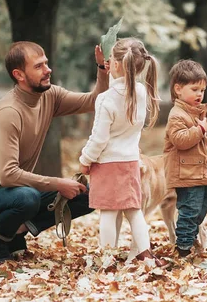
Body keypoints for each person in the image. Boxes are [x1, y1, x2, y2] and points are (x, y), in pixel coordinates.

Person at [0, 41, 110, 264]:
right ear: (19, 75)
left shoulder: (49, 96)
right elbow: (7, 175)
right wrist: (58, 183)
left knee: (87, 195)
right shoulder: (9, 112)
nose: (48, 70)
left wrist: (102, 68)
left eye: (46, 63)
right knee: (28, 197)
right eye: (39, 66)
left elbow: (95, 101)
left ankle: (14, 232)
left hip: (18, 192)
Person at [78, 38, 168, 267]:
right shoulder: (140, 91)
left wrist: (85, 160)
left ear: (116, 65)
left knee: (108, 213)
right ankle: (146, 256)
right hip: (131, 161)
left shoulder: (105, 99)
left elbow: (99, 138)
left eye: (111, 61)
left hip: (107, 164)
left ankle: (107, 259)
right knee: (134, 212)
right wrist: (114, 71)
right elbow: (122, 84)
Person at [163, 60, 207, 257]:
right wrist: (201, 129)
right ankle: (183, 249)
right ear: (178, 89)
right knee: (189, 210)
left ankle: (190, 239)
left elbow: (199, 142)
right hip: (186, 174)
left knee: (201, 207)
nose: (199, 94)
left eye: (202, 90)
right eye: (194, 89)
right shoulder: (176, 115)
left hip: (199, 172)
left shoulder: (197, 113)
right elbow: (180, 140)